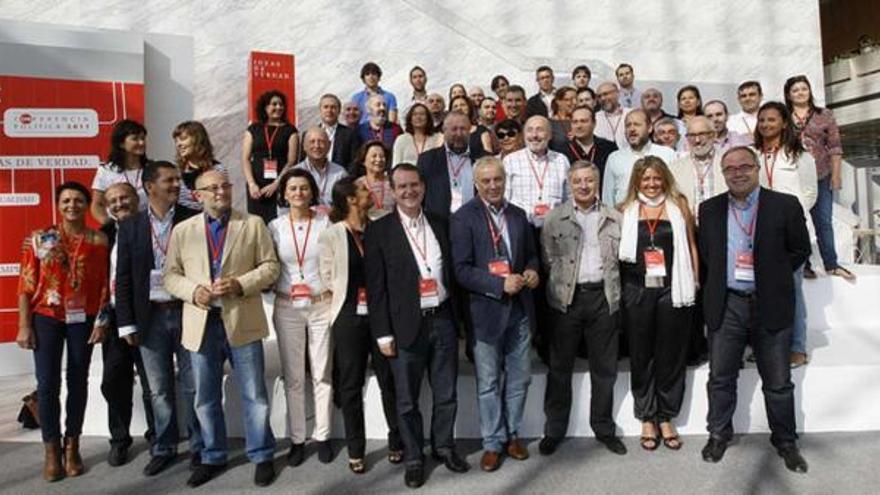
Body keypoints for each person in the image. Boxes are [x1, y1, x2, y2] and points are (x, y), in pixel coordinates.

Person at [163, 170, 280, 488]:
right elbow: (170, 275)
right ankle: (212, 456)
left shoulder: (252, 224)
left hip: (241, 318)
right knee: (205, 396)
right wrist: (193, 291)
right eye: (212, 188)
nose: (220, 192)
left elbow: (271, 267)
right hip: (201, 321)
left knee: (254, 393)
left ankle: (262, 454)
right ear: (198, 195)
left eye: (225, 186)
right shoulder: (183, 230)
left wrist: (241, 284)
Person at [699, 146, 810, 474]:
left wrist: (771, 274)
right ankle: (719, 434)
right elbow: (708, 254)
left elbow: (799, 249)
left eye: (744, 166)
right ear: (723, 173)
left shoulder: (785, 205)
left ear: (757, 168)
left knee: (778, 380)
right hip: (728, 303)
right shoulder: (709, 209)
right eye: (730, 168)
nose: (738, 172)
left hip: (770, 303)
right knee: (720, 377)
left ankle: (786, 442)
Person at [364, 163, 470, 489]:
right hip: (404, 326)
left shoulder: (440, 223)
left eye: (414, 185)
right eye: (402, 187)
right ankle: (413, 457)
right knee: (407, 400)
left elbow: (452, 272)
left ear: (423, 187)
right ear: (393, 192)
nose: (409, 192)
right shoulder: (379, 231)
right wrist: (382, 333)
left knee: (446, 392)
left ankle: (443, 447)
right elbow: (376, 288)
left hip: (442, 320)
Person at [451, 156, 539, 471]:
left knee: (520, 378)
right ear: (476, 184)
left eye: (497, 180)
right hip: (485, 312)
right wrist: (500, 284)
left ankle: (512, 435)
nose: (492, 186)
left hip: (519, 311)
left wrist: (531, 270)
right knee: (488, 381)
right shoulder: (463, 218)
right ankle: (492, 441)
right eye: (486, 181)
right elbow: (460, 270)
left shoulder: (517, 215)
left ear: (505, 180)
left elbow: (530, 255)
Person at [113, 161, 202, 476]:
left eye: (178, 179)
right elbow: (122, 278)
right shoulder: (130, 226)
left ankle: (198, 446)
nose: (177, 185)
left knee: (193, 384)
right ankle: (164, 447)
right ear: (150, 186)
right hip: (149, 318)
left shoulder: (193, 219)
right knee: (159, 389)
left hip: (187, 312)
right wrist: (126, 323)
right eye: (169, 180)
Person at [17, 182, 109, 481]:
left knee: (78, 380)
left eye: (79, 200)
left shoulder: (98, 240)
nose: (73, 205)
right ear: (58, 205)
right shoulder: (42, 238)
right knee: (47, 384)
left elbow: (105, 286)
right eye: (66, 200)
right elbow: (26, 284)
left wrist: (102, 320)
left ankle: (73, 445)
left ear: (87, 204)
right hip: (46, 316)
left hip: (84, 317)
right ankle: (51, 449)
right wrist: (24, 324)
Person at [539, 161, 626, 457]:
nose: (584, 186)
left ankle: (603, 428)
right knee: (559, 368)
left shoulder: (614, 217)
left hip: (603, 298)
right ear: (570, 184)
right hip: (567, 300)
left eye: (589, 180)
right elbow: (548, 259)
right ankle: (554, 430)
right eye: (578, 181)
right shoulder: (554, 219)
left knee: (605, 369)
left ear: (597, 182)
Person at [318, 177, 403, 473]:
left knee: (389, 379)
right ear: (351, 200)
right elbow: (327, 276)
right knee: (351, 384)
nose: (370, 191)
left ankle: (397, 440)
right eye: (363, 190)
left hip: (381, 314)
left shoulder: (379, 225)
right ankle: (356, 448)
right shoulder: (331, 235)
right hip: (349, 316)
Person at [617, 156, 698, 452]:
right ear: (636, 182)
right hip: (637, 291)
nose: (651, 184)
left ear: (665, 178)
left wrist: (696, 281)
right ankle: (647, 417)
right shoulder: (624, 210)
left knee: (670, 354)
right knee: (641, 355)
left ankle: (666, 416)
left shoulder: (679, 207)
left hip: (672, 290)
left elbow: (690, 245)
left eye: (656, 178)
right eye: (645, 179)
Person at [268, 169, 334, 467]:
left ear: (312, 192)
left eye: (304, 188)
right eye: (292, 189)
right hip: (287, 306)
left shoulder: (325, 222)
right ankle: (297, 438)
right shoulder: (275, 227)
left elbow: (335, 260)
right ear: (284, 193)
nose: (298, 194)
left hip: (321, 304)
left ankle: (323, 435)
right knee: (294, 376)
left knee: (321, 372)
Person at [754, 101, 817, 368]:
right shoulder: (752, 154)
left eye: (772, 119)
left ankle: (797, 347)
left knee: (792, 290)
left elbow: (810, 193)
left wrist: (787, 217)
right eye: (762, 120)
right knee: (759, 293)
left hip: (791, 232)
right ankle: (763, 346)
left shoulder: (801, 156)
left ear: (783, 122)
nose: (766, 124)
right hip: (758, 231)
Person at [98, 183, 155, 468]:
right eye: (113, 200)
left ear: (136, 199)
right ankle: (119, 439)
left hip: (145, 315)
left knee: (151, 381)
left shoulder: (150, 227)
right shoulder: (103, 234)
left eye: (124, 198)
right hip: (113, 317)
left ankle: (157, 436)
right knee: (113, 380)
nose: (119, 204)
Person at [784, 75, 854, 281]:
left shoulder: (825, 115)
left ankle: (831, 264)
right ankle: (803, 264)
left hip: (821, 175)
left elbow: (834, 146)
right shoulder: (784, 116)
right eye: (795, 90)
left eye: (803, 88)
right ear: (789, 95)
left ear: (809, 91)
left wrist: (837, 175)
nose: (800, 93)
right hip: (794, 177)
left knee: (823, 220)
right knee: (798, 222)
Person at [241, 90, 299, 224]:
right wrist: (251, 184)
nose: (278, 107)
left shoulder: (290, 130)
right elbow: (245, 158)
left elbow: (292, 161)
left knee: (278, 224)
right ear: (265, 107)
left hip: (280, 184)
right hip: (256, 187)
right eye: (274, 104)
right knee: (257, 224)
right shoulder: (253, 129)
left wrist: (277, 184)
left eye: (281, 104)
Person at [503, 115, 571, 228]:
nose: (534, 135)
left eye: (540, 130)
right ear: (524, 135)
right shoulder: (510, 161)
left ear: (549, 135)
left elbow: (568, 198)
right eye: (530, 130)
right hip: (521, 228)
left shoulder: (561, 160)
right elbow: (505, 200)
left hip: (555, 229)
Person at [420, 111, 488, 218]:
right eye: (454, 129)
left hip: (474, 222)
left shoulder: (483, 158)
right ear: (444, 130)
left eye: (463, 129)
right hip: (440, 224)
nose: (459, 134)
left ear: (470, 130)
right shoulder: (427, 160)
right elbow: (420, 195)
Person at [602, 110, 677, 206]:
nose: (632, 129)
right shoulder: (614, 158)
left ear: (649, 128)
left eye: (637, 125)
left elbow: (674, 192)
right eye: (628, 125)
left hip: (659, 216)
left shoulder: (667, 154)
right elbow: (608, 199)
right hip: (623, 217)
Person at [91, 119, 149, 225]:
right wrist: (110, 226)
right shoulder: (106, 170)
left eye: (143, 138)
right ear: (121, 143)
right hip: (118, 228)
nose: (141, 143)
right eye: (135, 139)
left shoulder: (152, 168)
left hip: (147, 228)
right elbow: (96, 205)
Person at [670, 116, 727, 218]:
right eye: (692, 135)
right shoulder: (675, 168)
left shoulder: (727, 163)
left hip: (722, 226)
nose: (697, 140)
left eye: (702, 134)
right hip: (690, 230)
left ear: (713, 135)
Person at [550, 105, 618, 180]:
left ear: (594, 123)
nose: (579, 126)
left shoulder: (609, 148)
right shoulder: (560, 151)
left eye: (583, 121)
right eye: (575, 122)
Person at [174, 121, 227, 211]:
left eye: (183, 138)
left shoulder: (217, 169)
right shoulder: (176, 172)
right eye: (176, 141)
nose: (178, 144)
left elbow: (222, 199)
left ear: (197, 139)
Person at [292, 127, 348, 208]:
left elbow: (347, 205)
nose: (317, 146)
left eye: (321, 142)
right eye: (312, 142)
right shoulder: (294, 174)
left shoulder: (340, 174)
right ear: (304, 146)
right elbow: (284, 208)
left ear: (329, 145)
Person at [393, 102, 444, 166]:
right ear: (410, 119)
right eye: (415, 114)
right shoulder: (401, 140)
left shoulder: (438, 138)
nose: (418, 117)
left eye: (422, 114)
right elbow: (396, 165)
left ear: (428, 118)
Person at [354, 140, 395, 219]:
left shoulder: (393, 183)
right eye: (374, 156)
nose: (379, 159)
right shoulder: (358, 185)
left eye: (382, 156)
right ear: (363, 160)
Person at [318, 93, 360, 169]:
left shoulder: (350, 134)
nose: (329, 110)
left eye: (333, 107)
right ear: (320, 110)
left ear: (339, 111)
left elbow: (354, 162)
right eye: (326, 107)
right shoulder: (309, 134)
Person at [594, 82, 631, 148]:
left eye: (606, 94)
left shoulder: (631, 113)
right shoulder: (594, 118)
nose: (602, 98)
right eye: (599, 96)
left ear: (617, 93)